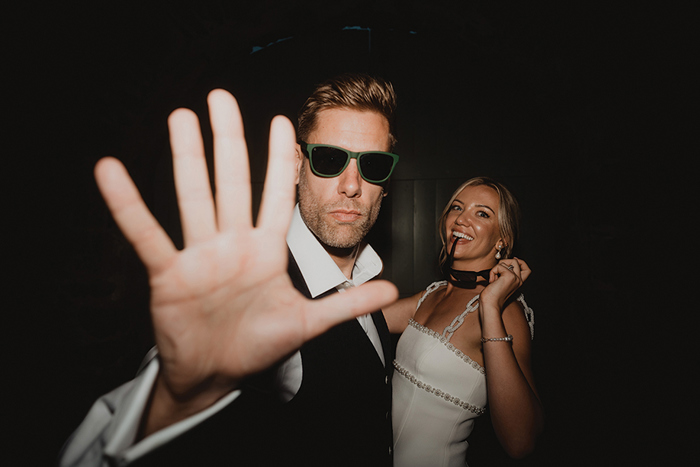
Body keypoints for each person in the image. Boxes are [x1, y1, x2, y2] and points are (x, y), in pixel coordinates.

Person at [59, 74, 400, 466]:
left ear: (386, 181)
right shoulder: (253, 293)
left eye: (372, 164)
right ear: (296, 164)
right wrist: (174, 399)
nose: (351, 185)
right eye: (329, 158)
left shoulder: (365, 279)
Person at [383, 177, 544, 467]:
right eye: (457, 208)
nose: (462, 219)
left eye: (482, 213)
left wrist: (491, 307)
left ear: (502, 240)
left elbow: (520, 442)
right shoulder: (434, 294)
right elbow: (360, 318)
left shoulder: (507, 312)